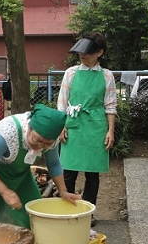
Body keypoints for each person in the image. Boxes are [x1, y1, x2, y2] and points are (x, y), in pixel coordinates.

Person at [0, 104, 81, 229]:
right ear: (29, 127)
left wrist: (63, 191)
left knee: (34, 211)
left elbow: (53, 164)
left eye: (47, 144)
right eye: (37, 140)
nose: (41, 146)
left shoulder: (51, 138)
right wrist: (5, 192)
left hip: (18, 171)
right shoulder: (9, 132)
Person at [57, 32, 117, 227]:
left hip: (96, 126)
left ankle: (88, 212)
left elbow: (110, 105)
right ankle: (67, 209)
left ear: (99, 52)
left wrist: (110, 130)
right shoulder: (71, 73)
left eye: (88, 52)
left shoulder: (106, 75)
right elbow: (62, 101)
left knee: (92, 173)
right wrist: (61, 125)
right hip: (73, 123)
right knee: (69, 171)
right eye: (81, 51)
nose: (83, 55)